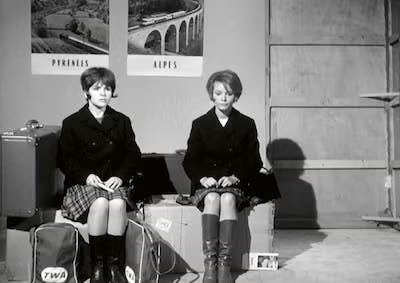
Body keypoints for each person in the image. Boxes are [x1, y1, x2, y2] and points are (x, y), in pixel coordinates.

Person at [58, 67, 141, 283]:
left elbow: (133, 155)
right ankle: (97, 267)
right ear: (86, 92)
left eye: (107, 88)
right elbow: (65, 161)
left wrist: (121, 176)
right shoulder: (72, 122)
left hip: (112, 183)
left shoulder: (122, 121)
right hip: (82, 185)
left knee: (118, 205)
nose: (103, 93)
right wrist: (86, 176)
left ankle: (113, 267)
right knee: (101, 203)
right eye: (97, 88)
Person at [182, 70, 264, 283]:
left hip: (234, 183)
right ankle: (210, 264)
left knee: (226, 198)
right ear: (212, 95)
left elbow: (255, 162)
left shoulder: (247, 124)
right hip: (206, 184)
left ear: (236, 95)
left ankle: (224, 265)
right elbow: (189, 160)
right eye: (218, 93)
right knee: (212, 198)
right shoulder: (200, 124)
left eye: (228, 93)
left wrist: (235, 177)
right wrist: (202, 178)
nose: (223, 97)